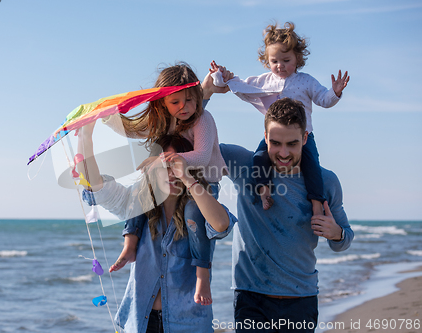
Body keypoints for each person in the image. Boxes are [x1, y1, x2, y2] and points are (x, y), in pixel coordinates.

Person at [203, 76, 354, 332]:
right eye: (275, 143)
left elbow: (344, 240)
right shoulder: (245, 165)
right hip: (251, 296)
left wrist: (336, 233)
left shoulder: (326, 182)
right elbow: (192, 139)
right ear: (265, 137)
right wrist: (205, 92)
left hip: (301, 299)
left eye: (292, 144)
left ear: (305, 138)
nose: (283, 153)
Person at [78, 121, 236, 332]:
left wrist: (187, 178)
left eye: (177, 166)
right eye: (165, 166)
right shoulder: (137, 205)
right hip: (141, 322)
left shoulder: (199, 208)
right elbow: (95, 185)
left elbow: (221, 224)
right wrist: (86, 136)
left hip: (188, 324)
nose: (172, 173)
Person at [101, 62, 229, 305]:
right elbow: (133, 130)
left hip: (204, 181)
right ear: (163, 102)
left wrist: (161, 160)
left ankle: (203, 274)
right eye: (175, 102)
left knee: (194, 213)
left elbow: (201, 156)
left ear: (198, 98)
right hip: (176, 178)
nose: (184, 107)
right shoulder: (164, 120)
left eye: (190, 100)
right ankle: (130, 243)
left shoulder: (203, 118)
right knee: (142, 189)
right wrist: (107, 118)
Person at [210, 22, 350, 218]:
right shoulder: (266, 80)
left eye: (286, 60)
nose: (280, 66)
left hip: (303, 137)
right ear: (267, 61)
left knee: (312, 167)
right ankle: (264, 191)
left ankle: (317, 204)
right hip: (273, 136)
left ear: (298, 59)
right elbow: (239, 85)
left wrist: (334, 92)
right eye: (274, 61)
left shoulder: (306, 81)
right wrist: (222, 76)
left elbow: (323, 100)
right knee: (259, 158)